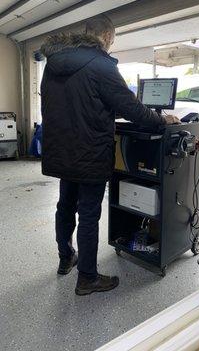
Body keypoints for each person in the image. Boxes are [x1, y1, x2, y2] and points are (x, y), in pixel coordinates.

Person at [40, 15, 180, 296]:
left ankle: (66, 257)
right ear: (105, 37)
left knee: (65, 205)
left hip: (61, 150)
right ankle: (87, 278)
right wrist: (162, 121)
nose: (111, 47)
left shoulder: (53, 64)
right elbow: (132, 109)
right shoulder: (101, 65)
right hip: (89, 152)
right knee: (89, 213)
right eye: (112, 42)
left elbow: (68, 102)